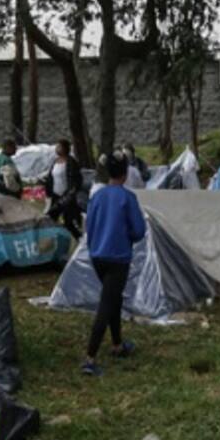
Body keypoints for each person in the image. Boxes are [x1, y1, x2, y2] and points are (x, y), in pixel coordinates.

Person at [81, 151, 147, 376]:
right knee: (107, 303)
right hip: (118, 258)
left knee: (114, 298)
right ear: (126, 173)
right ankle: (89, 358)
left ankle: (117, 344)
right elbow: (139, 231)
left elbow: (89, 227)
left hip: (97, 256)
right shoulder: (128, 198)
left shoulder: (97, 196)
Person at [45, 139, 83, 240]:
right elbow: (51, 178)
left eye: (59, 146)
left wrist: (70, 194)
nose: (57, 148)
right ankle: (53, 239)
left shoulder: (71, 162)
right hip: (55, 195)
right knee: (50, 218)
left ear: (65, 148)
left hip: (67, 197)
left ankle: (80, 239)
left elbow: (76, 181)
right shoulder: (55, 162)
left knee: (69, 222)